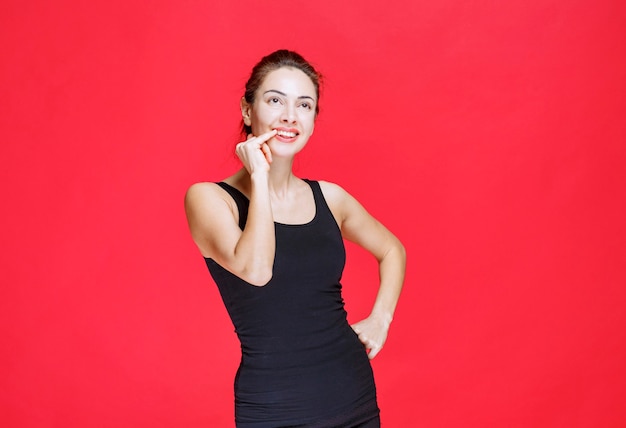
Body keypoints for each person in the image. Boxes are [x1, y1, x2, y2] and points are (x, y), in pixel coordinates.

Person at [185, 49, 406, 427]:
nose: (290, 116)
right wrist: (258, 175)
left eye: (304, 105)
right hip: (274, 407)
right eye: (275, 100)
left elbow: (391, 249)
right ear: (247, 110)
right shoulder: (209, 199)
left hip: (353, 395)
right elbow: (256, 270)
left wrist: (381, 319)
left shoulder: (330, 198)